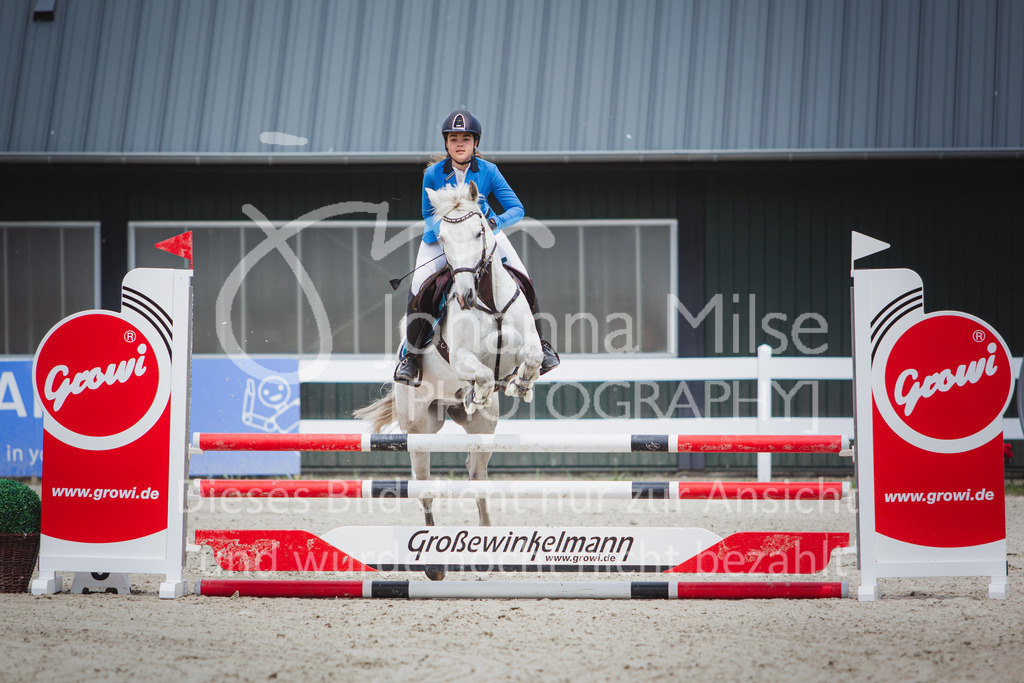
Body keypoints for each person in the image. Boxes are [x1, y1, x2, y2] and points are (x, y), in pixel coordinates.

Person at [394, 108, 560, 386]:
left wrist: (495, 223)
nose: (460, 144)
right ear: (446, 144)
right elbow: (427, 213)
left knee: (523, 278)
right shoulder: (432, 174)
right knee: (419, 286)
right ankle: (411, 357)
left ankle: (541, 344)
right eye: (454, 139)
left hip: (483, 235)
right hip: (443, 238)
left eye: (466, 139)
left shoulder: (489, 171)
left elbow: (516, 209)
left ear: (475, 143)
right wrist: (449, 233)